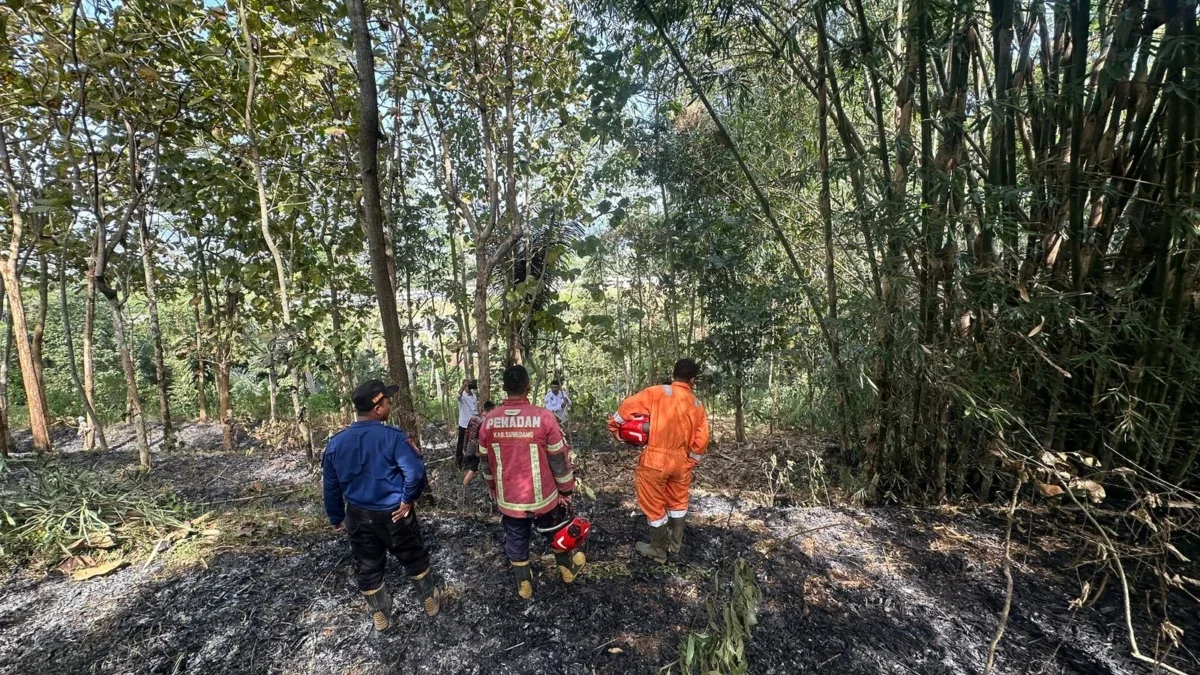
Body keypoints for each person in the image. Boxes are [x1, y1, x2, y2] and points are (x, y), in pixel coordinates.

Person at [323, 379, 445, 631]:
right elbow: (415, 472)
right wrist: (407, 499)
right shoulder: (394, 438)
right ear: (378, 408)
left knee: (367, 567)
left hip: (357, 517)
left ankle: (380, 615)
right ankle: (429, 599)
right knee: (413, 556)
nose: (390, 404)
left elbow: (331, 485)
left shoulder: (336, 443)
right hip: (395, 515)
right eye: (387, 401)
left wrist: (336, 517)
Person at [478, 365, 585, 598]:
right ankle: (568, 569)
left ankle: (523, 584)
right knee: (556, 530)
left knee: (516, 538)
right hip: (544, 495)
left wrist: (492, 489)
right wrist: (566, 490)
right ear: (527, 387)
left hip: (509, 499)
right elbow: (559, 459)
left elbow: (485, 463)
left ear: (504, 389)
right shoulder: (544, 418)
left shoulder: (489, 422)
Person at [609, 358, 710, 563]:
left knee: (654, 505)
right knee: (679, 503)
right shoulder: (697, 405)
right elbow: (702, 439)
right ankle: (675, 546)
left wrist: (614, 426)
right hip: (682, 462)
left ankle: (658, 549)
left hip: (655, 459)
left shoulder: (656, 393)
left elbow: (627, 407)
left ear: (674, 375)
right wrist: (692, 461)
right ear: (693, 380)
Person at [461, 400, 496, 486]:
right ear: (491, 410)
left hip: (469, 445)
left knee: (473, 467)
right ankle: (464, 486)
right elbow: (482, 437)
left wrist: (465, 447)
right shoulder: (485, 421)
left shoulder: (474, 418)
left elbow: (467, 432)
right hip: (477, 448)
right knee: (473, 469)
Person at [456, 379, 479, 469]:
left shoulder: (474, 396)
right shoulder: (462, 396)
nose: (469, 386)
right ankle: (459, 461)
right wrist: (462, 387)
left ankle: (471, 461)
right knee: (461, 442)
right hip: (464, 423)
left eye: (470, 384)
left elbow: (475, 409)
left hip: (473, 423)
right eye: (467, 384)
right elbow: (458, 395)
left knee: (472, 442)